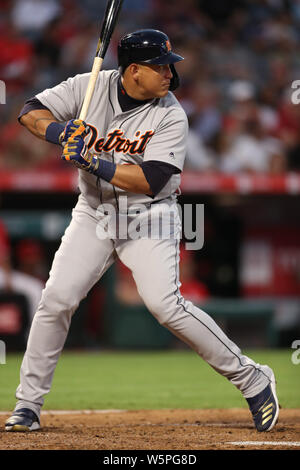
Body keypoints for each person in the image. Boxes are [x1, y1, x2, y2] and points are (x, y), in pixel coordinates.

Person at [5, 29, 279, 433]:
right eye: (160, 67)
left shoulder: (171, 114)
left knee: (165, 305)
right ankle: (28, 405)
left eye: (169, 66)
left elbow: (150, 179)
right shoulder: (90, 84)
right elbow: (30, 110)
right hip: (94, 212)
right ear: (133, 71)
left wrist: (93, 161)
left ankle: (253, 379)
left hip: (149, 214)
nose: (170, 73)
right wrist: (58, 133)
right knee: (56, 299)